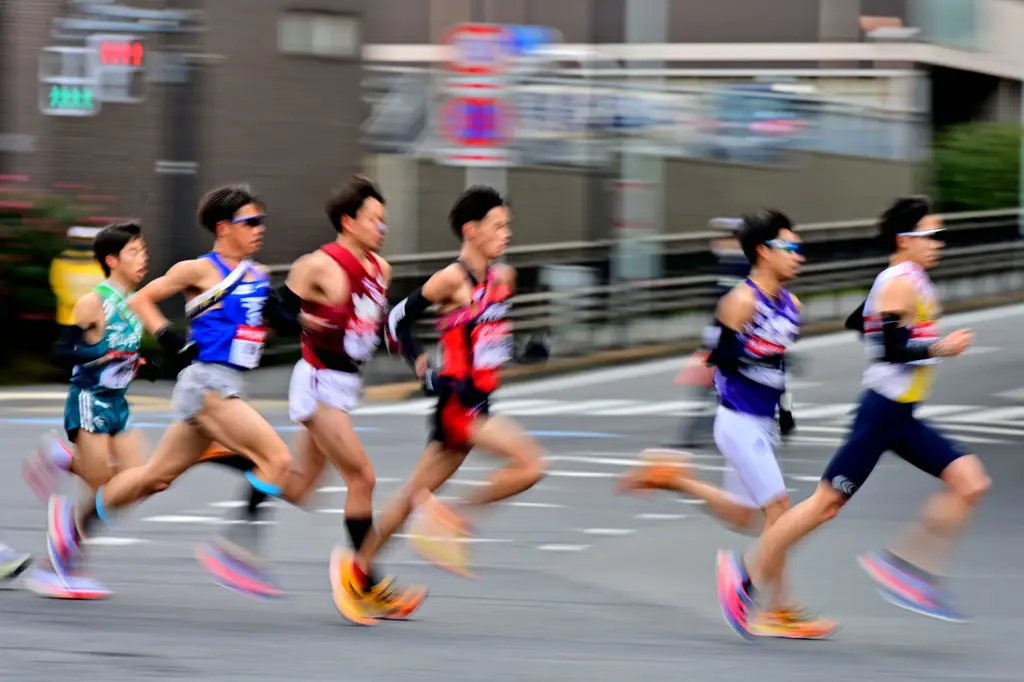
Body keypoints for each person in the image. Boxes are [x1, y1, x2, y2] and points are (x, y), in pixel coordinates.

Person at [717, 197, 991, 640]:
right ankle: (743, 574)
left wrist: (872, 315)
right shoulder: (899, 281)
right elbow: (889, 347)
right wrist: (941, 346)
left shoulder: (909, 281)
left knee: (972, 482)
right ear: (905, 240)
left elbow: (863, 322)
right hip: (881, 415)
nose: (939, 244)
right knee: (823, 507)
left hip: (903, 416)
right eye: (932, 236)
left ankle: (906, 569)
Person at [43, 184, 300, 598]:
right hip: (208, 386)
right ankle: (235, 551)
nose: (259, 229)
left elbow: (275, 316)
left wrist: (311, 321)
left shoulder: (257, 274)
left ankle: (73, 531)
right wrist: (169, 338)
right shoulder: (198, 270)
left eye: (261, 222)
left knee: (153, 479)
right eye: (251, 222)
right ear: (223, 227)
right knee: (277, 458)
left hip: (230, 384)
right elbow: (143, 298)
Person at [329, 185, 549, 624]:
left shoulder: (502, 279)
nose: (506, 233)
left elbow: (490, 340)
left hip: (481, 400)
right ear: (472, 230)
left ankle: (356, 572)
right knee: (531, 464)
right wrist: (419, 363)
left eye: (508, 225)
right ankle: (452, 519)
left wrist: (522, 352)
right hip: (456, 403)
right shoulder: (453, 279)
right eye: (498, 226)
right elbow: (395, 320)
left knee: (413, 495)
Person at [216, 176, 426, 622]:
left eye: (385, 221)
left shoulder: (380, 270)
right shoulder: (318, 264)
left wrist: (416, 357)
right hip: (317, 381)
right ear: (348, 221)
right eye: (374, 220)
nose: (382, 228)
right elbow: (274, 307)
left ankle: (230, 454)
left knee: (301, 487)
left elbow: (376, 324)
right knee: (362, 479)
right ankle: (364, 580)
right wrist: (305, 323)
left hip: (346, 384)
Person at [620, 210, 834, 639]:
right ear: (763, 251)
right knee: (781, 515)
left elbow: (778, 361)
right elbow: (721, 357)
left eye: (799, 248)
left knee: (743, 514)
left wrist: (786, 409)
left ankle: (671, 478)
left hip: (762, 422)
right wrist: (748, 354)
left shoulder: (793, 307)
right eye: (789, 248)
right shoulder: (741, 301)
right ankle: (778, 607)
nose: (799, 257)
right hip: (737, 421)